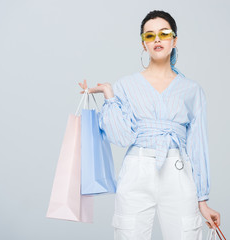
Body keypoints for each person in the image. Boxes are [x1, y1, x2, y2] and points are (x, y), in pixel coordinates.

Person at [78, 10, 220, 240]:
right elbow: (122, 138)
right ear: (143, 44)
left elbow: (198, 146)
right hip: (137, 169)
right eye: (149, 36)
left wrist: (202, 200)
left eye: (164, 33)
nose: (157, 39)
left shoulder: (192, 90)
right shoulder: (125, 86)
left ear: (174, 40)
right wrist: (109, 95)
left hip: (178, 171)